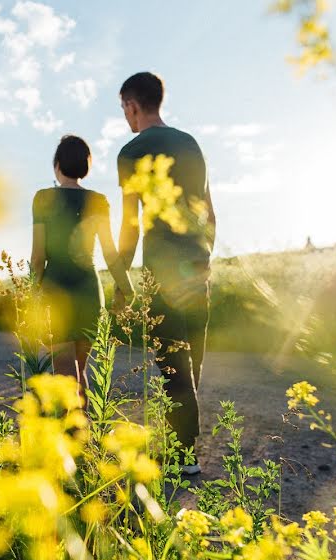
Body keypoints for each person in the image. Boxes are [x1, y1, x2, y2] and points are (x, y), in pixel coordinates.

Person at [115, 72, 215, 472]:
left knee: (174, 362)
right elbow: (209, 210)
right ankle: (183, 443)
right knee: (194, 361)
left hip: (162, 271)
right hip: (198, 264)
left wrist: (122, 280)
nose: (126, 116)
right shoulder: (191, 144)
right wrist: (205, 256)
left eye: (124, 109)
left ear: (132, 106)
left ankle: (182, 455)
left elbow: (131, 224)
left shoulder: (130, 151)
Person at [30, 135, 134, 386]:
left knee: (65, 372)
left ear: (57, 165)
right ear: (85, 166)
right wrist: (127, 289)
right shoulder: (97, 201)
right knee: (80, 371)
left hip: (57, 290)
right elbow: (109, 253)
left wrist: (31, 295)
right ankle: (83, 425)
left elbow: (38, 257)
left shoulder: (43, 198)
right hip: (89, 291)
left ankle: (72, 426)